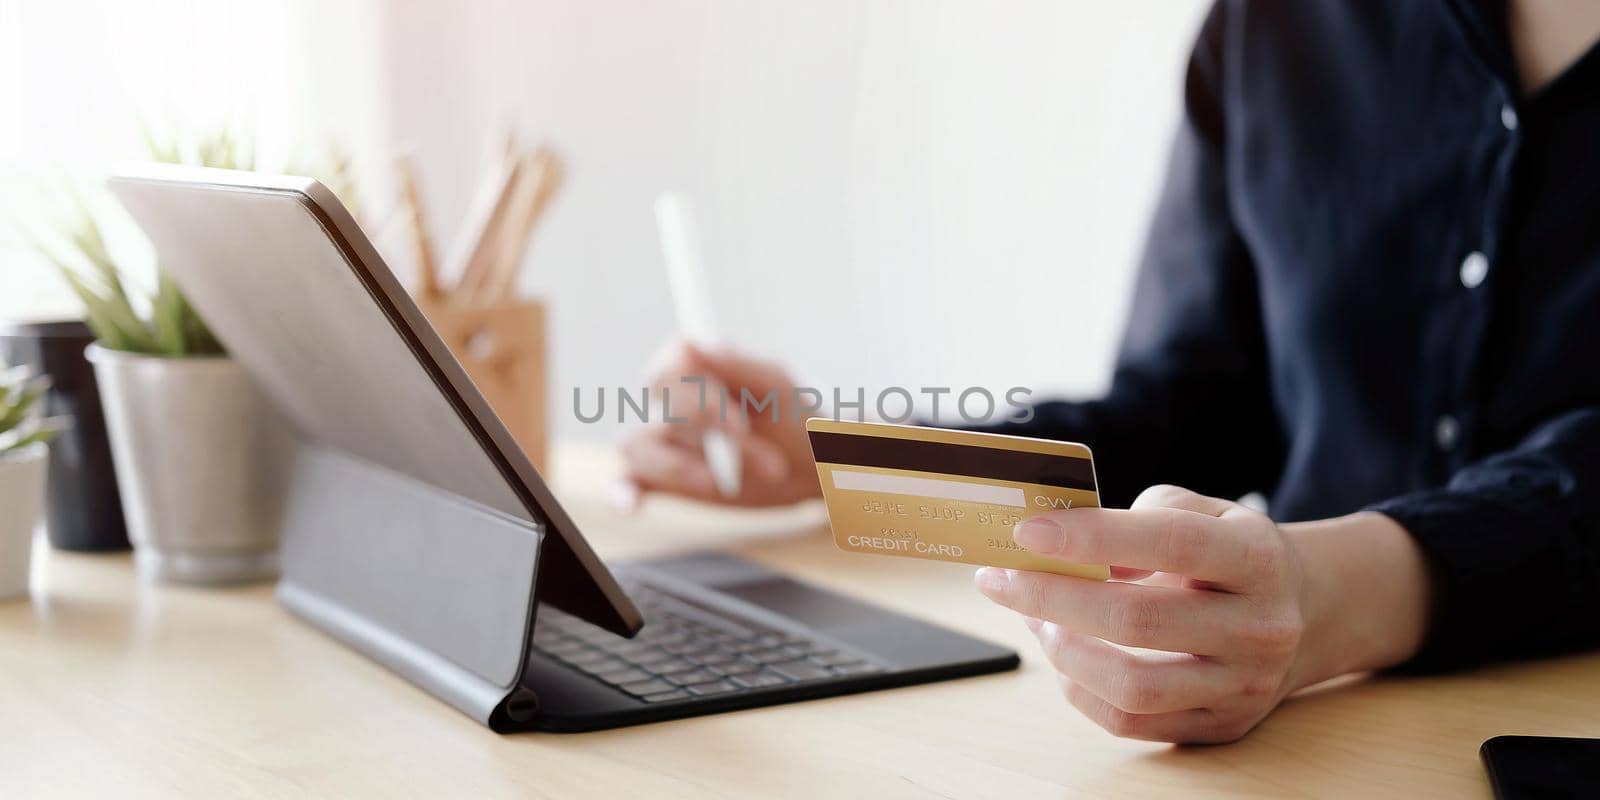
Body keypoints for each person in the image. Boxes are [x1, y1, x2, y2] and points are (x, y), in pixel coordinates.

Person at [618, 0, 1600, 743]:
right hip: (1313, 735)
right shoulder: (1274, 24)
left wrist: (1343, 593)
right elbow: (1189, 400)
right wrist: (851, 460)